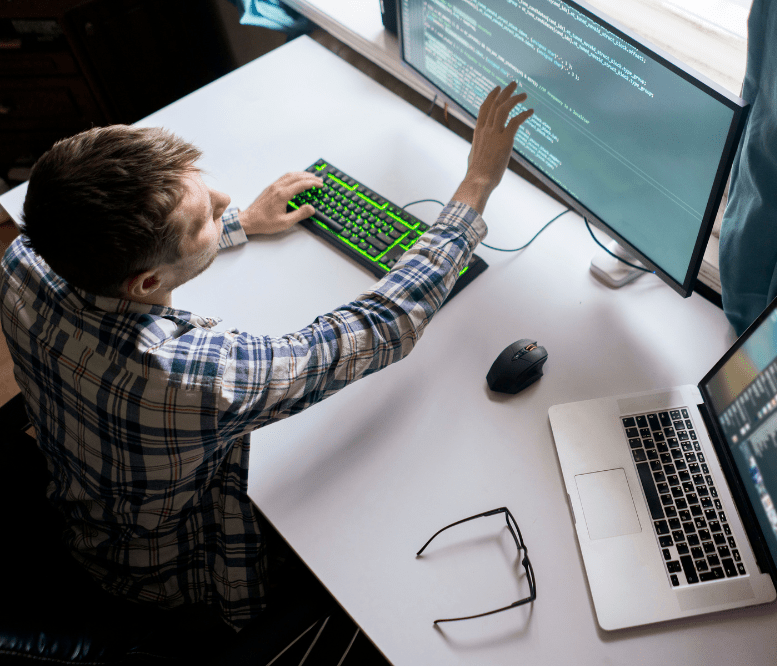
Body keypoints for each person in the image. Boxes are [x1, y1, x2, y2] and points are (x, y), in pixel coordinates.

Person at [0, 82, 533, 630]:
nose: (225, 198)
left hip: (83, 503)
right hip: (166, 574)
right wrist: (477, 183)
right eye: (205, 215)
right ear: (148, 281)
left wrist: (238, 225)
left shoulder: (25, 257)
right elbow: (382, 325)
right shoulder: (190, 378)